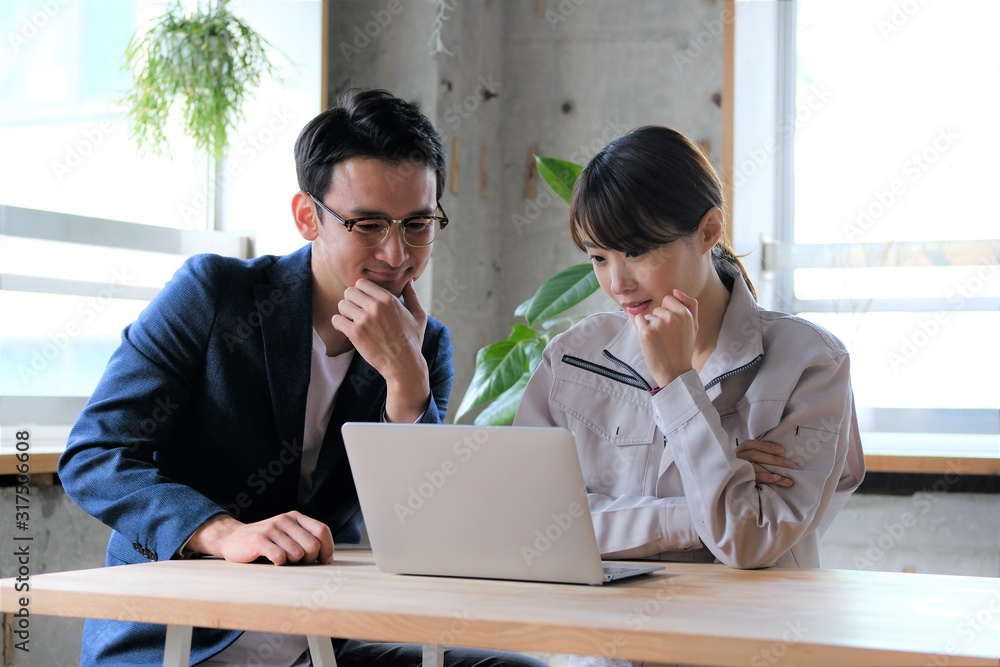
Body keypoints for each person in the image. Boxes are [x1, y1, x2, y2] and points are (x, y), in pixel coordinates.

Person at [59, 88, 547, 667]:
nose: (397, 254)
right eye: (368, 224)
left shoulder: (424, 344)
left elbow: (424, 534)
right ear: (307, 216)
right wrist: (221, 532)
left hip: (317, 646)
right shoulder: (215, 296)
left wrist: (406, 385)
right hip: (179, 640)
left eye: (418, 223)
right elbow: (94, 454)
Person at [514, 125, 865, 571]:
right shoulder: (572, 357)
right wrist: (695, 509)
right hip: (608, 637)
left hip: (747, 636)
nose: (618, 284)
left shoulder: (811, 363)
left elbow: (750, 539)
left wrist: (677, 384)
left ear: (708, 231)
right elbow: (528, 523)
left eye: (637, 252)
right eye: (599, 257)